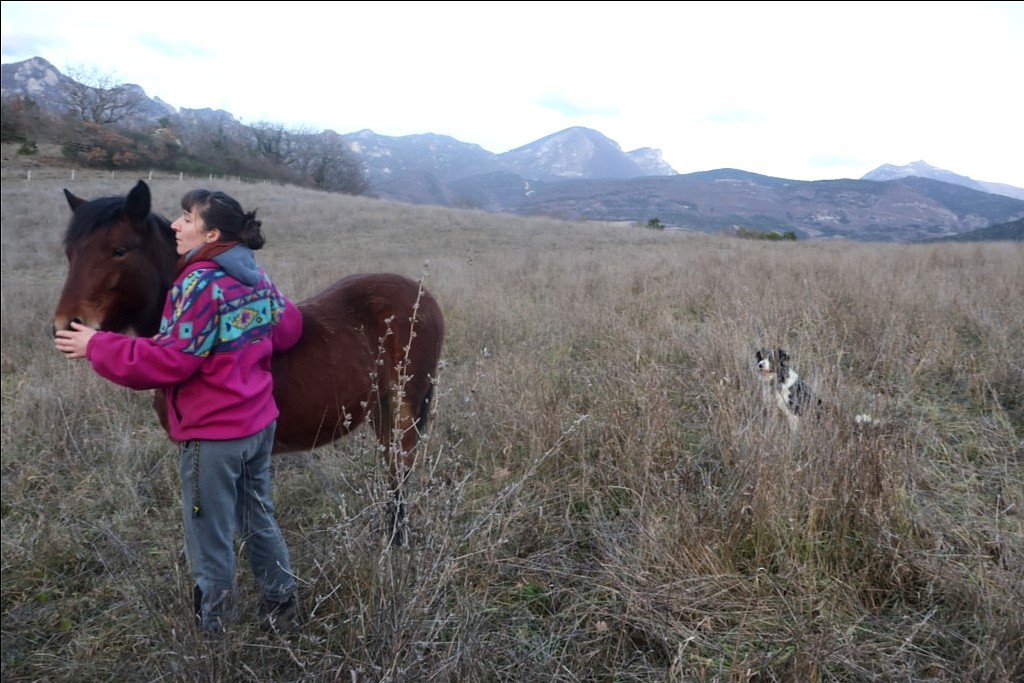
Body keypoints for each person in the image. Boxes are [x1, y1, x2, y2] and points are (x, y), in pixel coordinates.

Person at [55, 188, 303, 633]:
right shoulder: (250, 273)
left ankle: (215, 630)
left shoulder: (197, 283)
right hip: (258, 425)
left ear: (209, 233)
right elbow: (288, 329)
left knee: (208, 535)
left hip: (213, 438)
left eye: (186, 218)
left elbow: (173, 360)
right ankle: (282, 601)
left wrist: (97, 345)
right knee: (259, 516)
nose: (174, 224)